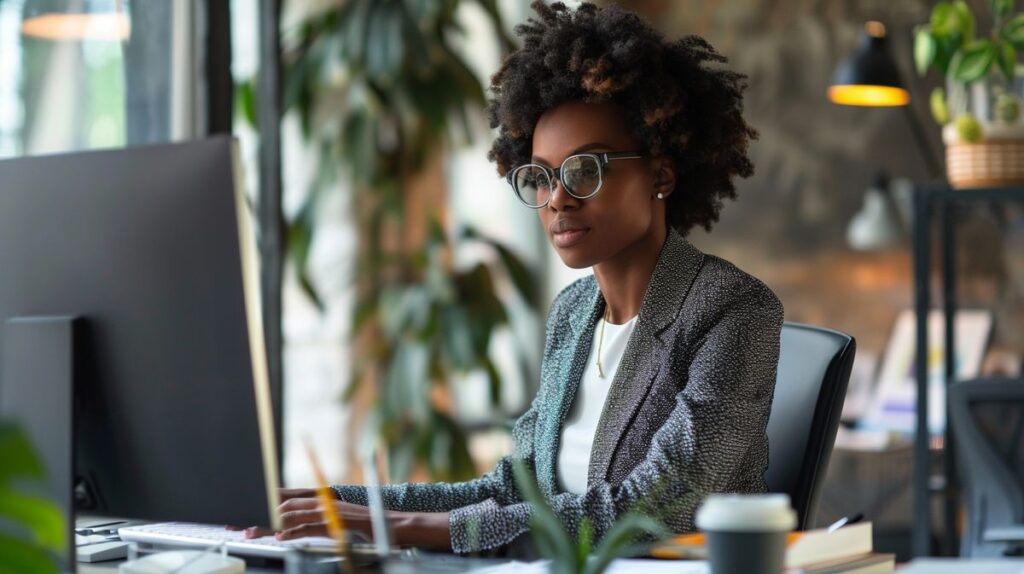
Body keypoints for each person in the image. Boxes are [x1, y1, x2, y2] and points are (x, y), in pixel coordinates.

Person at [251, 0, 783, 554]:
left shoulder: (734, 310)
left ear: (662, 174)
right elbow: (513, 487)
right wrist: (339, 504)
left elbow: (654, 509)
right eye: (542, 176)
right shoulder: (574, 313)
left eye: (585, 169)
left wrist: (412, 530)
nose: (557, 199)